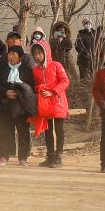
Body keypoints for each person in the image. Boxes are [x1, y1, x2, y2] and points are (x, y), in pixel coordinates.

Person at [0, 43, 35, 165]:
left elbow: (31, 88)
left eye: (14, 54)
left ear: (20, 57)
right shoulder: (2, 68)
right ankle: (4, 156)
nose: (11, 56)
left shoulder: (27, 71)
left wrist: (21, 92)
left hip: (21, 105)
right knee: (5, 131)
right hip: (5, 104)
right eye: (9, 54)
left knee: (23, 132)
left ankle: (23, 158)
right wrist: (6, 92)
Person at [29, 38, 71, 168]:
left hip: (58, 102)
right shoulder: (35, 70)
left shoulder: (56, 65)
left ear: (46, 52)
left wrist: (53, 91)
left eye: (40, 53)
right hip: (45, 105)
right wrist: (39, 89)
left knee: (59, 130)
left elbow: (65, 81)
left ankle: (58, 157)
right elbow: (35, 85)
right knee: (48, 131)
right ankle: (50, 156)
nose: (37, 56)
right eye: (35, 53)